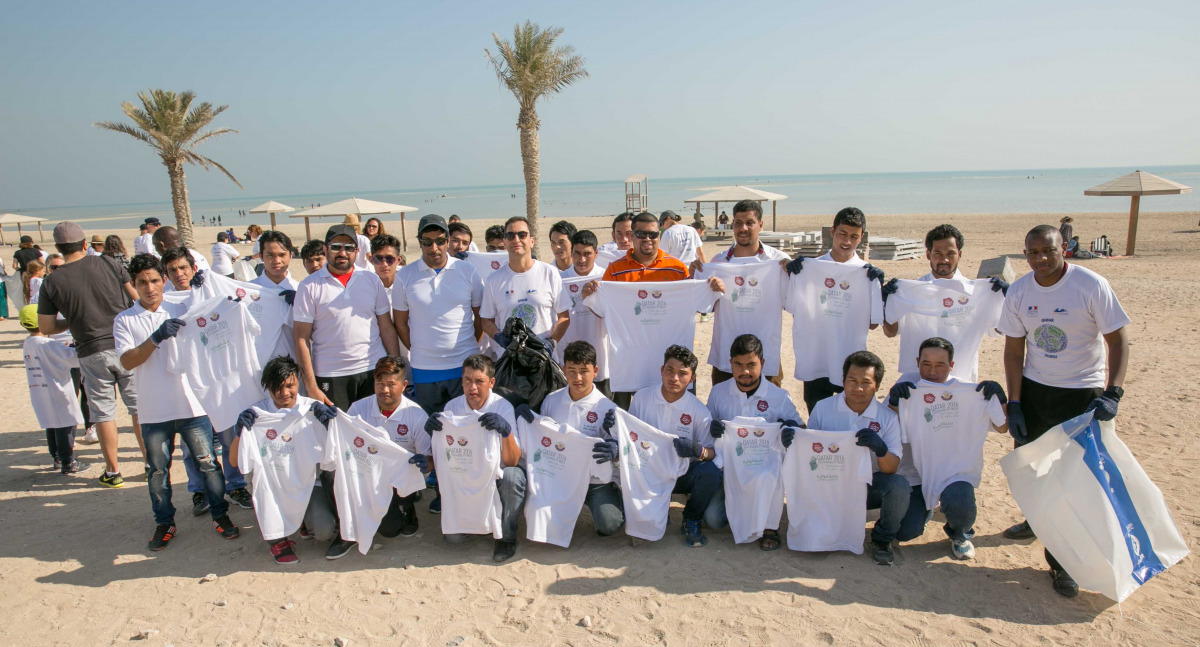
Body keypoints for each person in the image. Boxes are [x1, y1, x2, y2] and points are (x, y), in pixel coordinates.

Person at [997, 224, 1130, 598]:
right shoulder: (1020, 291)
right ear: (1025, 253)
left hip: (1082, 394)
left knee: (1075, 479)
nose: (1040, 258)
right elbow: (1014, 352)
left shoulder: (1090, 285)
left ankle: (1064, 563)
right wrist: (1016, 403)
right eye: (1032, 252)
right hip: (1036, 392)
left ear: (1064, 249)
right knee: (1032, 468)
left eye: (1048, 251)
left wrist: (1113, 393)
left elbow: (1118, 340)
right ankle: (1037, 520)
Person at [114, 253, 240, 550]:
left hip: (192, 405)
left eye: (154, 281)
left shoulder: (182, 307)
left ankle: (220, 515)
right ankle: (164, 522)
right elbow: (127, 362)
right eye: (142, 283)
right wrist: (155, 338)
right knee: (157, 471)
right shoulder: (125, 319)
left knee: (208, 464)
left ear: (164, 280)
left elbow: (218, 311)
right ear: (134, 285)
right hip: (153, 410)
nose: (149, 288)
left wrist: (213, 287)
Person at [38, 222, 142, 487]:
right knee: (139, 407)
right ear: (85, 244)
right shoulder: (109, 263)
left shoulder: (51, 281)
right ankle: (151, 463)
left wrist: (74, 321)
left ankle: (113, 471)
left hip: (90, 350)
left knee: (104, 413)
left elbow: (46, 327)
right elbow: (137, 297)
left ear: (58, 248)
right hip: (124, 344)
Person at [887, 337, 1008, 561]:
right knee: (904, 532)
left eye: (940, 365)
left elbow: (1002, 428)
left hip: (953, 472)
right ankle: (925, 509)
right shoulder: (909, 390)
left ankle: (960, 534)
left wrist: (1000, 399)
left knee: (960, 502)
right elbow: (887, 427)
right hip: (915, 474)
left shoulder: (971, 393)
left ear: (951, 365)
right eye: (926, 364)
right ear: (917, 362)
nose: (932, 371)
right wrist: (894, 403)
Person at [158, 246, 254, 513]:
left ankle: (235, 485)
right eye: (172, 270)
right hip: (186, 381)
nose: (179, 274)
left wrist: (208, 287)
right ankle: (199, 490)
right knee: (193, 444)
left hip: (219, 376)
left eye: (183, 268)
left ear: (193, 268)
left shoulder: (210, 290)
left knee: (228, 434)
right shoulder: (166, 304)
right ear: (166, 275)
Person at [802, 350, 907, 566]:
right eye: (852, 380)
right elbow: (808, 453)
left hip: (867, 487)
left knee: (899, 486)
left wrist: (880, 449)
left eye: (866, 382)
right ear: (843, 381)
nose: (858, 388)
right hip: (829, 485)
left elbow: (891, 468)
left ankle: (882, 540)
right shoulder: (823, 408)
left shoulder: (887, 418)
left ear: (877, 385)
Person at [230, 356, 337, 563]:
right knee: (264, 492)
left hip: (306, 483)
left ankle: (304, 520)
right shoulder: (257, 416)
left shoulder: (312, 410)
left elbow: (338, 453)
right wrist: (240, 432)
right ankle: (277, 541)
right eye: (277, 387)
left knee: (324, 531)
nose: (284, 393)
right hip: (273, 486)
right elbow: (234, 462)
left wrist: (330, 425)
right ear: (267, 387)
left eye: (290, 386)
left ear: (298, 382)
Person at [784, 207, 885, 414]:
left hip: (850, 361)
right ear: (832, 232)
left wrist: (877, 289)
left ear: (862, 237)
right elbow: (795, 310)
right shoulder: (808, 269)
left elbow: (873, 324)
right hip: (815, 358)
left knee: (848, 416)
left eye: (854, 236)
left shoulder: (867, 274)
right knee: (817, 414)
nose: (847, 241)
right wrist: (798, 276)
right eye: (842, 234)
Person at [705, 334, 802, 550]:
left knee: (771, 474)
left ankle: (769, 527)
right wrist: (712, 428)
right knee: (713, 519)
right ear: (730, 363)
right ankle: (743, 510)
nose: (745, 371)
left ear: (762, 363)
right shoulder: (718, 392)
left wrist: (791, 430)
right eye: (738, 365)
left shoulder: (779, 397)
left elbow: (800, 428)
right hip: (731, 472)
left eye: (751, 364)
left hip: (764, 472)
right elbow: (705, 428)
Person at [425, 354, 523, 562]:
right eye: (467, 380)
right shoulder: (452, 407)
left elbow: (512, 461)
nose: (473, 388)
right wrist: (432, 433)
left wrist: (506, 432)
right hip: (466, 475)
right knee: (454, 538)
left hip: (495, 474)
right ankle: (477, 521)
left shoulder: (503, 407)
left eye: (479, 381)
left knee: (513, 477)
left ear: (491, 382)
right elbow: (444, 458)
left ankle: (506, 537)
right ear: (461, 381)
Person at [880, 224, 1008, 380]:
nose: (944, 259)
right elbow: (890, 332)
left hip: (962, 379)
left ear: (959, 254)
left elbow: (997, 330)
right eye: (938, 253)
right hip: (919, 380)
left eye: (951, 253)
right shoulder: (910, 291)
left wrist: (1005, 300)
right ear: (928, 254)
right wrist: (885, 302)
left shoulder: (976, 292)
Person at [293, 225, 401, 410]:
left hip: (374, 369)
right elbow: (301, 338)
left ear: (357, 251)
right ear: (325, 249)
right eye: (336, 247)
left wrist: (396, 368)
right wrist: (311, 387)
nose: (342, 253)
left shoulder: (371, 279)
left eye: (349, 247)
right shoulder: (308, 286)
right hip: (331, 374)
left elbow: (385, 326)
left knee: (376, 425)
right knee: (337, 427)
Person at [629, 345, 722, 547]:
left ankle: (692, 518)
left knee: (710, 472)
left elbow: (713, 453)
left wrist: (698, 450)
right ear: (661, 370)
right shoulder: (641, 398)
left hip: (680, 473)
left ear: (693, 378)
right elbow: (629, 435)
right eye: (670, 370)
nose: (674, 378)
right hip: (647, 472)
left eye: (683, 373)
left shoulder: (699, 411)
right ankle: (656, 512)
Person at [392, 214, 484, 416]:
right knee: (432, 426)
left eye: (440, 241)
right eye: (427, 242)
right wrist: (419, 348)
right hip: (425, 368)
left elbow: (480, 317)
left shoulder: (468, 271)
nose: (434, 248)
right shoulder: (404, 276)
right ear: (419, 242)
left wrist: (468, 344)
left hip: (464, 365)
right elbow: (400, 323)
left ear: (448, 240)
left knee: (467, 423)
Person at [694, 199, 791, 387]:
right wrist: (701, 281)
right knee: (722, 404)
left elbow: (794, 304)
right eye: (738, 223)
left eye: (749, 223)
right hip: (726, 356)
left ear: (760, 225)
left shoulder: (779, 261)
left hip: (765, 355)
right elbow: (703, 308)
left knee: (769, 404)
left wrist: (794, 273)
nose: (743, 228)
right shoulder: (718, 262)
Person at [538, 340, 624, 536]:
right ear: (563, 370)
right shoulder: (551, 401)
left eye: (584, 371)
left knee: (609, 524)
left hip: (595, 481)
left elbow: (623, 452)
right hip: (560, 477)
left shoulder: (607, 408)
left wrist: (616, 449)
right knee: (543, 522)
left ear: (595, 371)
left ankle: (614, 500)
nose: (577, 378)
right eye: (572, 371)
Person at [346, 355, 432, 541]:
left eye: (391, 384)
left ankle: (407, 507)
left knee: (389, 530)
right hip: (367, 473)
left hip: (399, 477)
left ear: (404, 385)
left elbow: (429, 460)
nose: (384, 390)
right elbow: (345, 447)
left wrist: (425, 463)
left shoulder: (417, 415)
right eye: (379, 383)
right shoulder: (357, 409)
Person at [479, 216, 570, 352]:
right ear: (505, 242)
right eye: (510, 236)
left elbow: (564, 316)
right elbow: (486, 320)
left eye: (522, 235)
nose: (516, 240)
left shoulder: (550, 273)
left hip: (543, 357)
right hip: (509, 359)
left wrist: (552, 342)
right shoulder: (493, 280)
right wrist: (499, 337)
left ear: (531, 241)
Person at [21, 304, 87, 474]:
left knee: (51, 423)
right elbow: (74, 359)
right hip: (58, 391)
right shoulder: (49, 344)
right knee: (66, 425)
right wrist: (74, 346)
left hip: (40, 391)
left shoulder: (28, 343)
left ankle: (56, 457)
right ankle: (68, 462)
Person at [558, 230, 610, 396]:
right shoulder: (558, 279)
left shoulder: (607, 278)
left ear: (596, 253)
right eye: (577, 253)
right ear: (571, 252)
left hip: (601, 357)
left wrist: (592, 300)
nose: (581, 259)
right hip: (568, 357)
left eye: (587, 254)